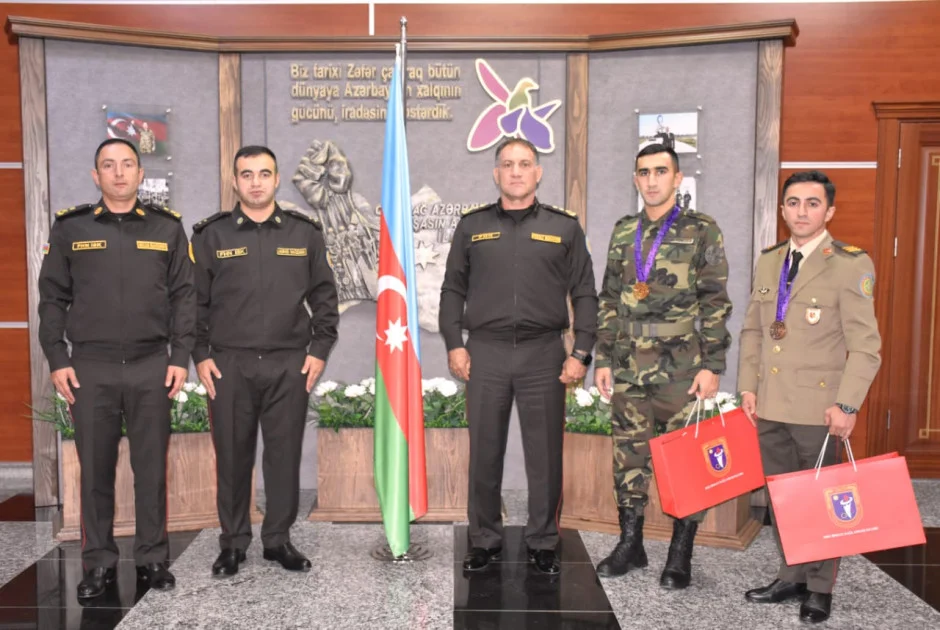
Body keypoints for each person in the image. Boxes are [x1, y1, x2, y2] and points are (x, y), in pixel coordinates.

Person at [38, 138, 195, 601]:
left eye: (127, 164)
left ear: (141, 173)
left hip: (151, 365)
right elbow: (52, 298)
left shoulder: (167, 228)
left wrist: (180, 357)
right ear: (96, 175)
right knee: (95, 472)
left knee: (152, 469)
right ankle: (98, 564)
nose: (119, 172)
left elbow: (185, 297)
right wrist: (58, 358)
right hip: (91, 367)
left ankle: (152, 559)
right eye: (109, 165)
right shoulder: (71, 228)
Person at [439, 137, 598, 575]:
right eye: (507, 164)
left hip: (543, 353)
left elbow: (585, 291)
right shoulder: (472, 226)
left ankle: (543, 540)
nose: (515, 171)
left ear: (537, 173)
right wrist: (454, 342)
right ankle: (484, 539)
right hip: (485, 352)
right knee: (484, 453)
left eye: (524, 164)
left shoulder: (564, 227)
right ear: (496, 173)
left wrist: (581, 351)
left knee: (545, 456)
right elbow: (452, 289)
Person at [738, 170, 881, 624]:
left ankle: (819, 587)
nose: (802, 211)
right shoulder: (770, 261)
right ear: (782, 210)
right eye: (794, 202)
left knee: (820, 498)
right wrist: (748, 385)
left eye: (812, 203)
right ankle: (791, 575)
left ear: (829, 211)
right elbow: (754, 330)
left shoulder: (849, 264)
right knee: (783, 499)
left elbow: (866, 346)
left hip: (819, 409)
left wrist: (848, 405)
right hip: (770, 403)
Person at [191, 145, 339, 577]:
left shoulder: (304, 233)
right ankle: (233, 543)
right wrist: (200, 355)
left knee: (283, 457)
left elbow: (325, 298)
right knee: (232, 458)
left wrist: (318, 350)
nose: (255, 182)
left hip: (288, 365)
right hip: (229, 365)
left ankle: (277, 539)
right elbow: (192, 303)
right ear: (234, 182)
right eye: (246, 174)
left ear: (276, 179)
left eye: (263, 173)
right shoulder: (211, 236)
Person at [594, 143, 731, 589]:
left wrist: (713, 364)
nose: (651, 180)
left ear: (677, 178)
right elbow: (609, 299)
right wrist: (603, 357)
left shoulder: (701, 229)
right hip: (629, 364)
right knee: (629, 457)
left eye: (660, 171)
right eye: (644, 172)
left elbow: (715, 302)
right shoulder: (623, 231)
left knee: (685, 461)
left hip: (680, 367)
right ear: (635, 178)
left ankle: (679, 553)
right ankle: (631, 544)